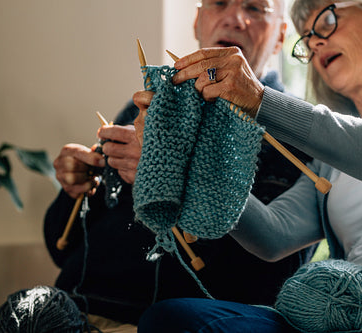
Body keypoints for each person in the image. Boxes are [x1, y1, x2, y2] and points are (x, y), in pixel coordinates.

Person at [133, 0, 362, 332]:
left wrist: (260, 100)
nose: (314, 42)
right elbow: (274, 236)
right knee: (171, 320)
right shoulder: (329, 159)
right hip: (343, 317)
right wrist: (190, 159)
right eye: (306, 37)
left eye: (326, 20)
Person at [44, 0, 318, 330]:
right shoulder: (148, 108)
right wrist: (76, 191)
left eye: (255, 8)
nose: (234, 19)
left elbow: (267, 282)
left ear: (280, 36)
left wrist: (175, 174)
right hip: (72, 307)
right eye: (219, 3)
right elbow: (62, 248)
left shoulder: (293, 132)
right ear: (198, 21)